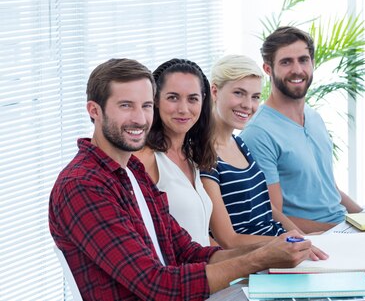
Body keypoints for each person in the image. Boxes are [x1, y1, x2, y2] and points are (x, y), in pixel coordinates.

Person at [49, 58, 313, 301]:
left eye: (146, 106)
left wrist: (271, 250)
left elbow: (189, 252)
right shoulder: (83, 185)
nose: (140, 119)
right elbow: (156, 284)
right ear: (94, 110)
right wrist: (258, 260)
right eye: (126, 106)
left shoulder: (132, 172)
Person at [240, 26, 362, 233]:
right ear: (268, 69)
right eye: (286, 62)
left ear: (312, 63)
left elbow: (329, 188)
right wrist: (339, 230)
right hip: (312, 239)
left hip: (341, 228)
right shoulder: (258, 134)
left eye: (303, 60)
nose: (297, 70)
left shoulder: (313, 117)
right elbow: (273, 216)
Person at [200, 54, 306, 247]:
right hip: (260, 256)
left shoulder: (239, 144)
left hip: (280, 246)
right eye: (239, 93)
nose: (248, 105)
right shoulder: (205, 156)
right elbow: (228, 239)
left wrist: (301, 238)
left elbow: (268, 207)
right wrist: (286, 244)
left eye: (255, 97)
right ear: (214, 91)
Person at [134, 58, 215, 246]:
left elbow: (200, 238)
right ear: (155, 100)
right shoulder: (145, 159)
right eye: (173, 97)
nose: (183, 109)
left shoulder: (191, 156)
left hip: (205, 271)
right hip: (178, 274)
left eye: (193, 99)